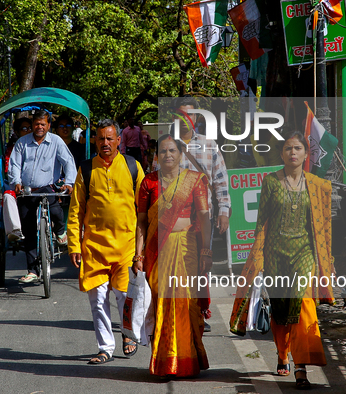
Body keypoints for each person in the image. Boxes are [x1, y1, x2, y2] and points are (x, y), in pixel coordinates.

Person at [229, 130, 334, 390]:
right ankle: (282, 353)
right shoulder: (271, 181)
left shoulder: (317, 186)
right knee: (280, 310)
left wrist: (326, 261)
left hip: (305, 253)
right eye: (288, 148)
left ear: (307, 154)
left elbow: (324, 226)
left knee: (302, 306)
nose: (293, 153)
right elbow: (261, 221)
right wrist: (258, 256)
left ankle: (300, 366)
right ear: (281, 154)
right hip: (275, 253)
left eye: (298, 148)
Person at [67, 119, 145, 365]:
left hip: (126, 247)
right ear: (95, 141)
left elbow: (144, 208)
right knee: (98, 300)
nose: (105, 143)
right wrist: (74, 245)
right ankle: (105, 348)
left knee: (124, 295)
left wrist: (145, 246)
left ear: (119, 140)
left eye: (110, 138)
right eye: (101, 138)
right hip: (95, 248)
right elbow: (75, 210)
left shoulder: (133, 166)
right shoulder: (87, 169)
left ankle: (128, 334)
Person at [132, 135, 211, 377]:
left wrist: (206, 250)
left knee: (186, 304)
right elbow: (142, 222)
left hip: (187, 249)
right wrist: (138, 255)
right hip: (158, 252)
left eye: (172, 151)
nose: (167, 155)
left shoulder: (195, 180)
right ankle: (165, 362)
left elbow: (204, 217)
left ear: (181, 153)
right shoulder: (149, 183)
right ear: (156, 155)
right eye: (163, 151)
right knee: (163, 305)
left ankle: (188, 361)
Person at [172, 96, 232, 332]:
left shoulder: (209, 145)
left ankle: (198, 310)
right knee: (176, 264)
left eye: (190, 115)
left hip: (202, 217)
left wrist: (224, 210)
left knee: (201, 265)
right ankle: (177, 310)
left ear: (196, 117)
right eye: (181, 115)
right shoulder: (167, 145)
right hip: (174, 219)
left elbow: (220, 181)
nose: (186, 120)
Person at [8, 110, 76, 283]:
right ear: (32, 125)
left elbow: (68, 162)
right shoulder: (22, 142)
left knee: (56, 211)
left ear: (48, 125)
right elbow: (14, 164)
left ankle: (60, 232)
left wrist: (69, 182)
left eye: (43, 124)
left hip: (47, 187)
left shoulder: (56, 141)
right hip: (27, 190)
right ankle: (33, 270)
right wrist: (16, 181)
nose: (39, 127)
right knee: (28, 229)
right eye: (36, 124)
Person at [53, 114, 86, 246]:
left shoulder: (79, 148)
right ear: (56, 129)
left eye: (68, 126)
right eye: (61, 126)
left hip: (74, 182)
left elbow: (82, 167)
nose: (64, 128)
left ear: (73, 128)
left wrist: (70, 181)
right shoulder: (51, 146)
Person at [3, 117, 32, 241]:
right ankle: (15, 230)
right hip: (17, 183)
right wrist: (17, 181)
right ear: (18, 132)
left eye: (29, 128)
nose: (27, 131)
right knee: (8, 195)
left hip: (37, 183)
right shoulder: (13, 148)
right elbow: (9, 168)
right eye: (24, 129)